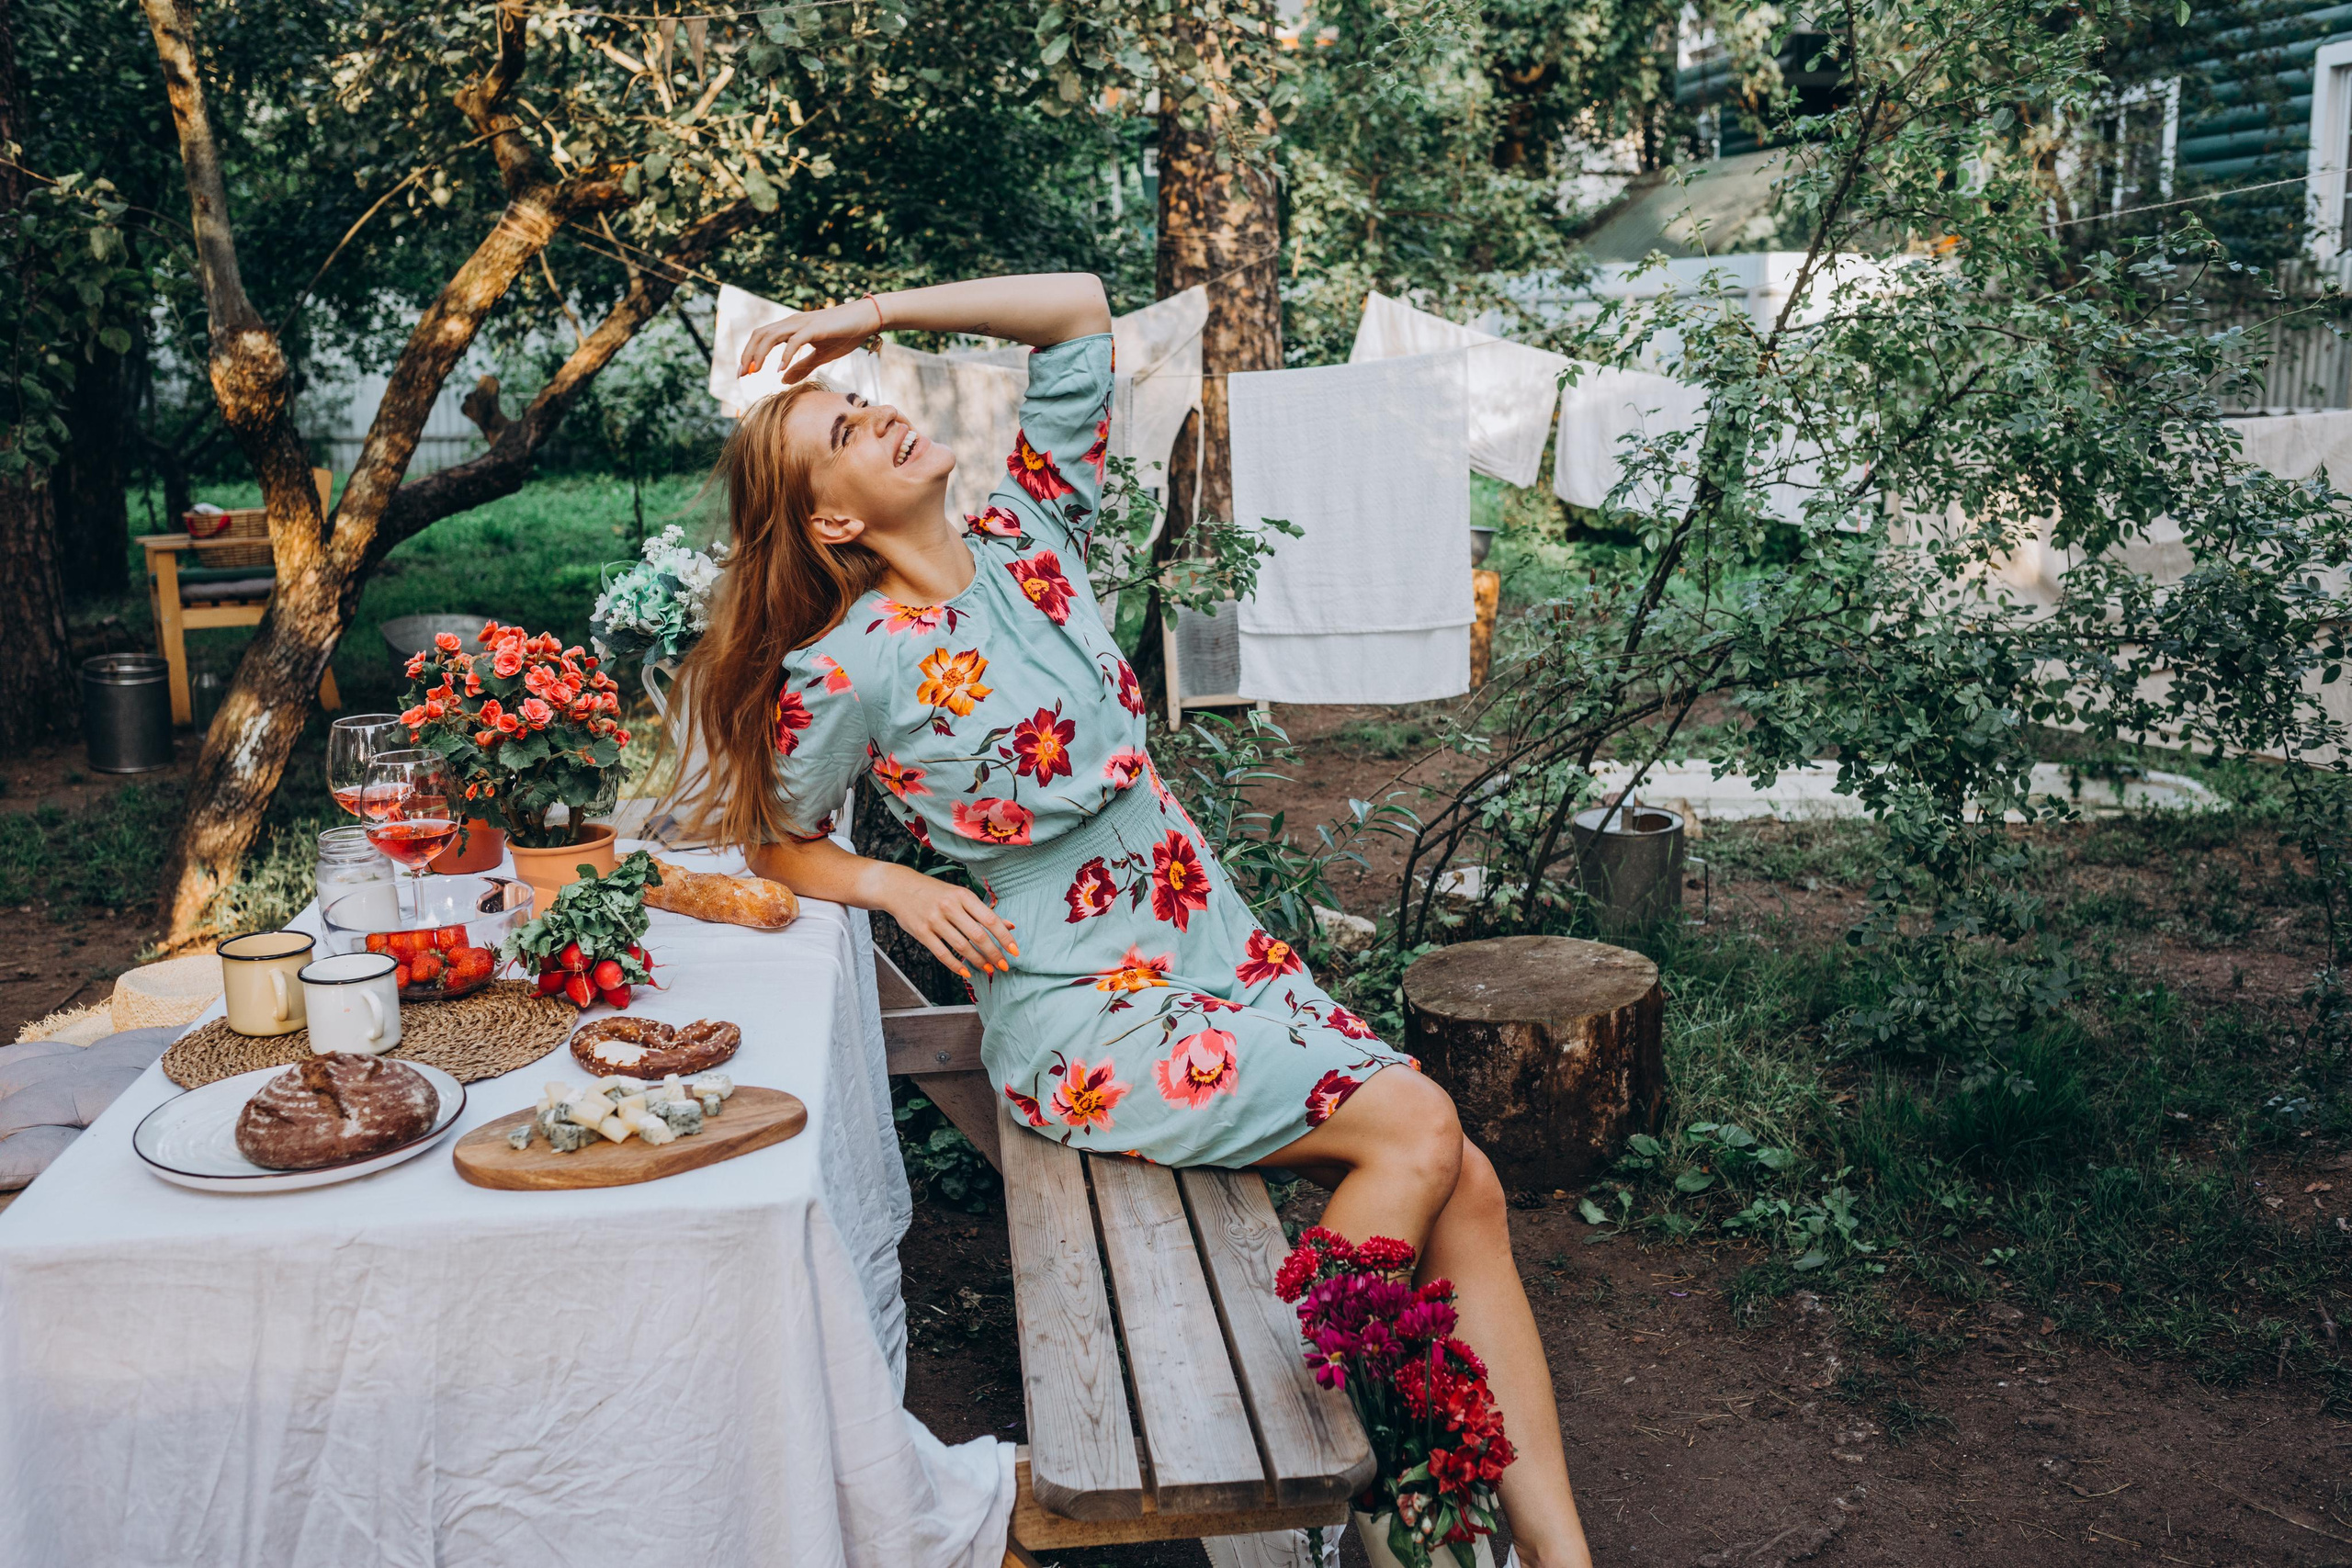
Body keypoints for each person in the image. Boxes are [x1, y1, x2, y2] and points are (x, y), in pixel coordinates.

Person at [671, 272, 1593, 1568]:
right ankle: (1376, 1485)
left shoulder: (1033, 530)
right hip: (1083, 1015)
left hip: (1213, 944)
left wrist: (869, 321)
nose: (877, 416)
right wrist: (898, 884)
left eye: (864, 401)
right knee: (1420, 1127)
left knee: (1470, 1188)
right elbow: (776, 842)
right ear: (829, 520)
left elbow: (1078, 311)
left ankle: (1559, 1558)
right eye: (843, 431)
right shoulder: (848, 667)